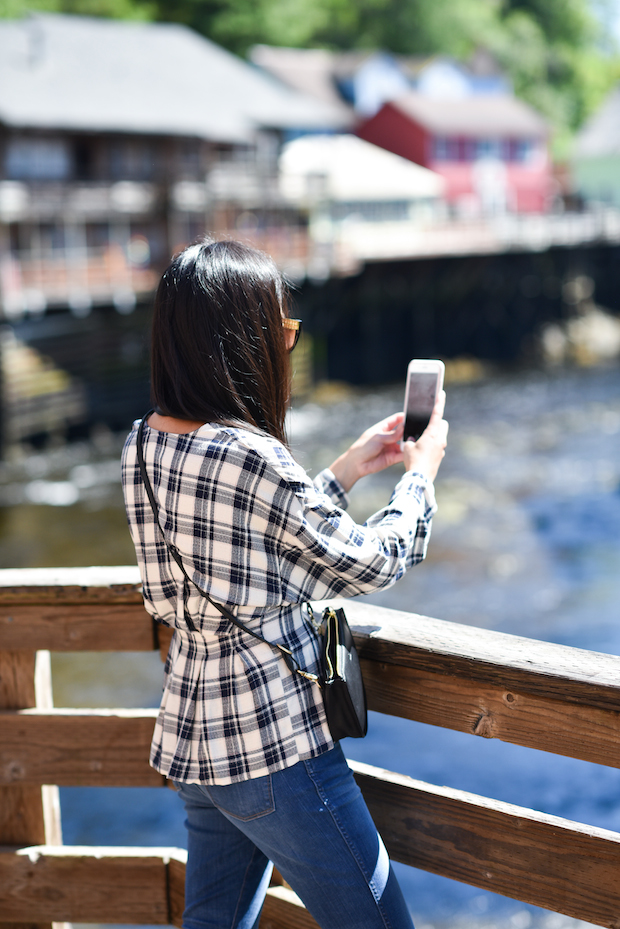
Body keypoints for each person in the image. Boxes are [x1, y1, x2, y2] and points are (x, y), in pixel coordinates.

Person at [121, 239, 448, 929]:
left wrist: (345, 471)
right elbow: (370, 562)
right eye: (283, 331)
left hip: (197, 736)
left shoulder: (143, 444)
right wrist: (420, 476)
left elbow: (240, 551)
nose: (287, 347)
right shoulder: (252, 455)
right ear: (243, 341)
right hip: (275, 745)